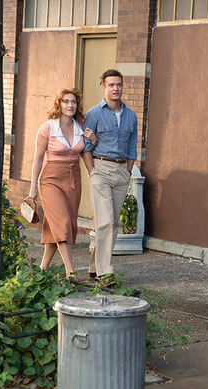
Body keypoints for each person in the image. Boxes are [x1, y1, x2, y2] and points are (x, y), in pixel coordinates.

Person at [29, 88, 92, 278]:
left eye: (73, 102)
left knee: (60, 225)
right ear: (59, 104)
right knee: (63, 223)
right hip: (51, 179)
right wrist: (33, 187)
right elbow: (38, 159)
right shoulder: (48, 127)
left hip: (74, 178)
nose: (70, 105)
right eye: (66, 101)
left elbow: (86, 151)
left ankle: (41, 271)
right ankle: (70, 272)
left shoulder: (81, 127)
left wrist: (93, 141)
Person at [81, 69, 138, 279]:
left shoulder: (131, 116)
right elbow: (85, 147)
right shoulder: (94, 114)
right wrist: (92, 172)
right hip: (101, 170)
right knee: (105, 220)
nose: (116, 88)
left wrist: (128, 170)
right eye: (111, 85)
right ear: (103, 87)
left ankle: (94, 267)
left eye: (119, 84)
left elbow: (133, 147)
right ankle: (106, 271)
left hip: (121, 172)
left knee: (113, 223)